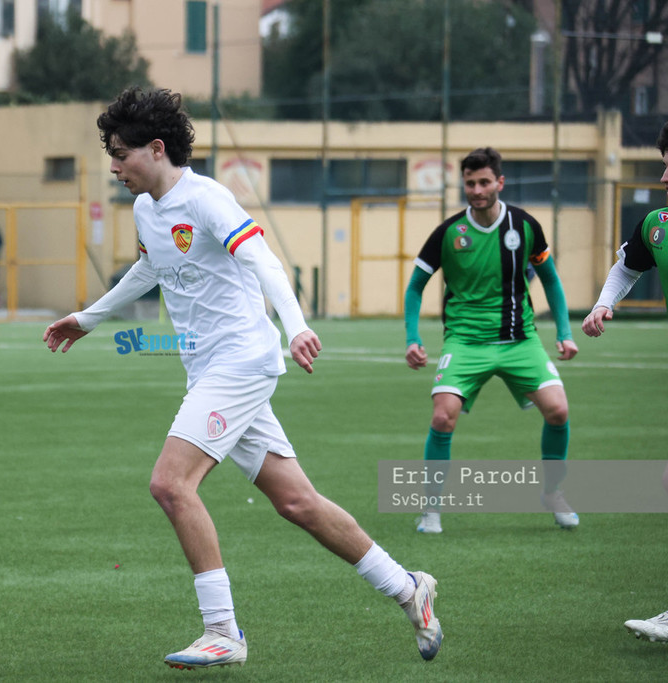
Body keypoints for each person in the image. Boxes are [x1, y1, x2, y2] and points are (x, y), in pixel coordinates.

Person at [43, 87, 442, 669]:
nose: (114, 166)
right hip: (209, 367)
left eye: (121, 154)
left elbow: (264, 262)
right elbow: (150, 268)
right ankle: (409, 588)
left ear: (156, 149)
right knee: (298, 502)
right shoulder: (147, 209)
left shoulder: (208, 199)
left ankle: (222, 630)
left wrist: (297, 326)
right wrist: (89, 318)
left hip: (241, 361)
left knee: (170, 484)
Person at [404, 147, 579, 534]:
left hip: (520, 341)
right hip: (465, 342)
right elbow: (415, 287)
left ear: (500, 182)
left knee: (558, 411)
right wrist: (412, 338)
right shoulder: (449, 233)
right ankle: (431, 508)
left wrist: (565, 333)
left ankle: (553, 493)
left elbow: (550, 280)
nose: (477, 190)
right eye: (470, 183)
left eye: (484, 182)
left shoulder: (525, 225)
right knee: (442, 416)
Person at [582, 120, 668, 644]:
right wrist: (602, 304)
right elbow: (626, 267)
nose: (664, 177)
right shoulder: (658, 224)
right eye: (664, 165)